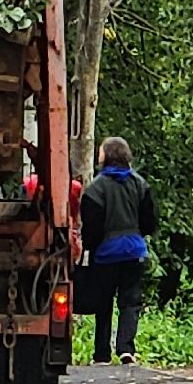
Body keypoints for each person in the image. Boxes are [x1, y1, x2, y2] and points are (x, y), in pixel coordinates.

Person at [79, 136, 157, 366]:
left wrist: (89, 248)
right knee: (130, 302)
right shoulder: (140, 184)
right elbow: (149, 221)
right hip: (134, 250)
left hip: (105, 254)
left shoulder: (95, 189)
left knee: (103, 303)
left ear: (105, 157)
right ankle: (126, 349)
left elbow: (91, 227)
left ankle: (101, 353)